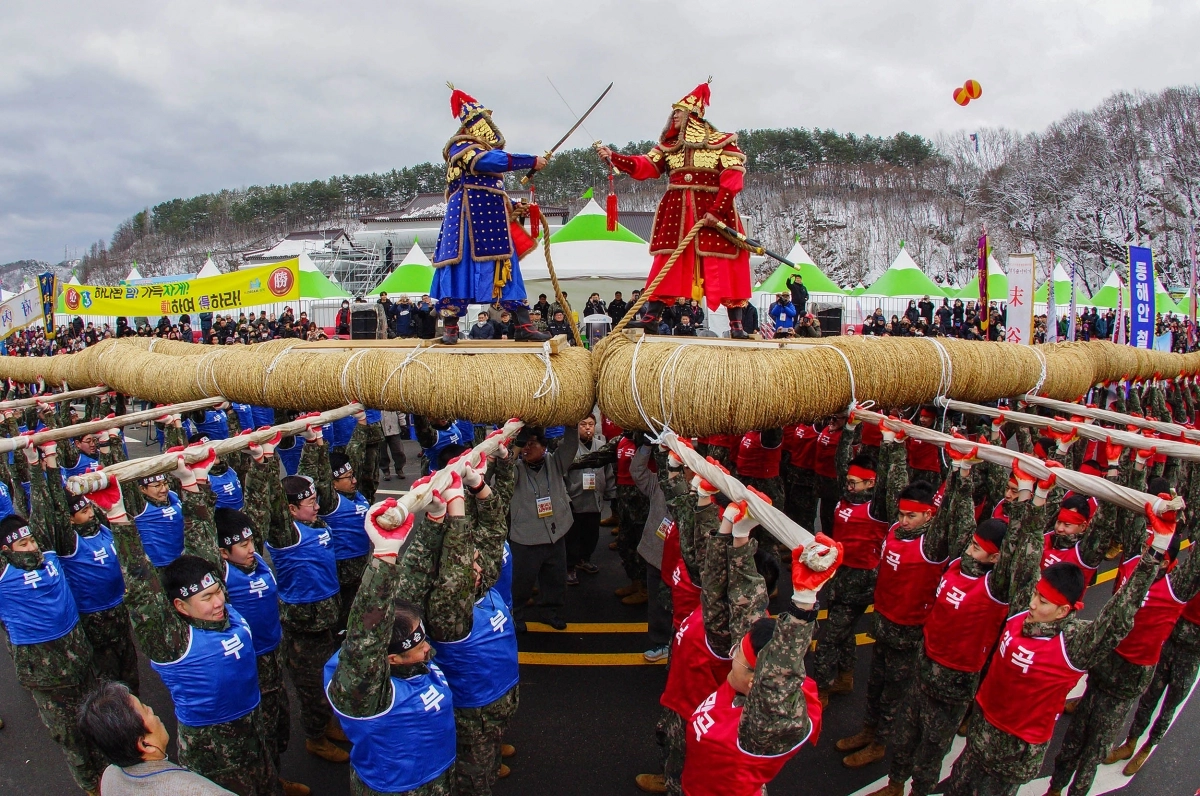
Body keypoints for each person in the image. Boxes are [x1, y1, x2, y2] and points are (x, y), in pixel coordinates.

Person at [870, 454, 1051, 796]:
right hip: (925, 665)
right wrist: (962, 472)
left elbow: (1021, 550)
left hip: (954, 683)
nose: (969, 550)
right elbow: (963, 516)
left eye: (977, 549)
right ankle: (894, 785)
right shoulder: (958, 563)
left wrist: (1032, 496)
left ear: (996, 558)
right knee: (906, 736)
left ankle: (918, 792)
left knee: (930, 751)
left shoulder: (996, 586)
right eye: (970, 544)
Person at [101, 470, 280, 796]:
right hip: (215, 757)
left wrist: (191, 484)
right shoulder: (174, 643)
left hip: (254, 733)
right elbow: (141, 590)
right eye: (207, 597)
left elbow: (201, 545)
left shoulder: (221, 611)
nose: (219, 601)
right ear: (180, 606)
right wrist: (118, 517)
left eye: (218, 591)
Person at [678, 518, 839, 796]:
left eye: (736, 653)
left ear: (757, 682)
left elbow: (778, 678)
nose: (732, 652)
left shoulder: (762, 727)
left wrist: (804, 601)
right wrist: (739, 536)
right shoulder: (750, 676)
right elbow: (746, 604)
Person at [597, 81, 753, 337]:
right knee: (667, 261)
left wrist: (717, 210)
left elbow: (732, 179)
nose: (674, 116)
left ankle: (736, 325)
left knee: (727, 260)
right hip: (676, 212)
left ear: (693, 115)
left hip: (712, 209)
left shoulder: (723, 142)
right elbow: (645, 165)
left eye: (679, 111)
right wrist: (616, 157)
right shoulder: (669, 147)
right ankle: (651, 317)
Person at [325, 499, 457, 795]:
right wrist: (383, 555)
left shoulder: (406, 647)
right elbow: (365, 641)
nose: (428, 649)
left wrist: (435, 520)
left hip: (439, 776)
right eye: (419, 647)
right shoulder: (368, 694)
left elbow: (411, 582)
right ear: (393, 659)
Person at [245, 423, 351, 766]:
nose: (316, 505)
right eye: (309, 503)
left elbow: (310, 478)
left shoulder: (315, 522)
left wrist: (315, 442)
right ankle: (315, 738)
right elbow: (270, 502)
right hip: (303, 624)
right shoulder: (286, 533)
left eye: (315, 500)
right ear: (291, 510)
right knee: (312, 687)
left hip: (327, 616)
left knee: (331, 677)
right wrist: (263, 462)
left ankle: (326, 724)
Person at [431, 86, 551, 344]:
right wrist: (529, 160)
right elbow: (486, 161)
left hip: (492, 219)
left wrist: (512, 206)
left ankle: (523, 325)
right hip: (465, 219)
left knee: (507, 268)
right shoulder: (461, 145)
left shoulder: (479, 149)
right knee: (458, 267)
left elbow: (491, 189)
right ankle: (450, 328)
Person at [0, 508, 107, 794]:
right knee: (71, 736)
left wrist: (41, 473)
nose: (31, 547)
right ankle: (92, 787)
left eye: (32, 540)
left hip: (79, 659)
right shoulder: (5, 575)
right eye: (22, 544)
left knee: (97, 719)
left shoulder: (48, 556)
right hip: (47, 676)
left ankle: (111, 772)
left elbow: (46, 509)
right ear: (5, 552)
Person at [78, 680, 235, 796]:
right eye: (145, 710)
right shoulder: (199, 791)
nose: (152, 710)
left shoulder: (109, 777)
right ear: (145, 744)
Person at [509, 424, 580, 631]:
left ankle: (551, 612)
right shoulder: (515, 469)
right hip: (525, 537)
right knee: (521, 581)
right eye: (524, 444)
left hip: (555, 534)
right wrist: (517, 445)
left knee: (555, 579)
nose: (527, 448)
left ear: (544, 446)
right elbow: (502, 471)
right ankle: (516, 614)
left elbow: (571, 444)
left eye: (532, 444)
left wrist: (572, 423)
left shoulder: (555, 462)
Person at [565, 416, 611, 584]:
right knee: (572, 537)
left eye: (591, 424)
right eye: (583, 424)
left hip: (595, 500)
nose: (587, 428)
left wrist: (610, 492)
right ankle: (570, 566)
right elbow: (561, 475)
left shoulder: (601, 446)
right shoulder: (568, 448)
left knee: (591, 534)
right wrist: (565, 497)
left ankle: (584, 559)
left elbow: (608, 471)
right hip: (575, 500)